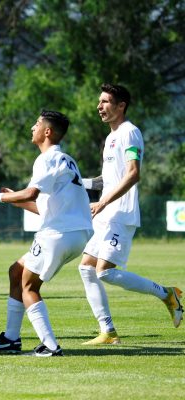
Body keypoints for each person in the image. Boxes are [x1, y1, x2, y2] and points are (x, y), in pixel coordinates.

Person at [0, 110, 92, 356]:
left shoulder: (46, 159)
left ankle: (50, 345)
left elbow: (31, 193)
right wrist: (13, 200)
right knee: (16, 271)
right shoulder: (66, 159)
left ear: (47, 131)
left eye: (36, 124)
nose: (32, 127)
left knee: (29, 286)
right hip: (76, 233)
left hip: (58, 234)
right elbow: (43, 207)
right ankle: (10, 338)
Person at [78, 83, 183, 345]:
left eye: (105, 102)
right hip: (105, 214)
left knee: (105, 272)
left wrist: (102, 204)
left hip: (120, 213)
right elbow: (107, 180)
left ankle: (168, 294)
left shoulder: (130, 133)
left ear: (121, 106)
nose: (99, 107)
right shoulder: (110, 137)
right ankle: (108, 331)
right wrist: (77, 182)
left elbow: (133, 174)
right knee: (86, 268)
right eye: (100, 101)